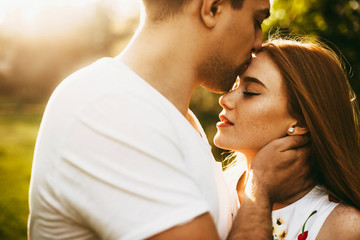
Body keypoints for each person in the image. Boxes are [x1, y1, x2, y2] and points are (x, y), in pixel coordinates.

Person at [28, 1, 311, 239]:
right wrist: (258, 192)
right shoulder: (109, 110)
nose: (258, 42)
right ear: (211, 8)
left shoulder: (174, 116)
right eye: (256, 19)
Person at [214, 37, 360, 240]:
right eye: (235, 85)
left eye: (250, 92)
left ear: (301, 123)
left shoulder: (342, 226)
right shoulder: (209, 188)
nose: (225, 99)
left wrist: (259, 189)